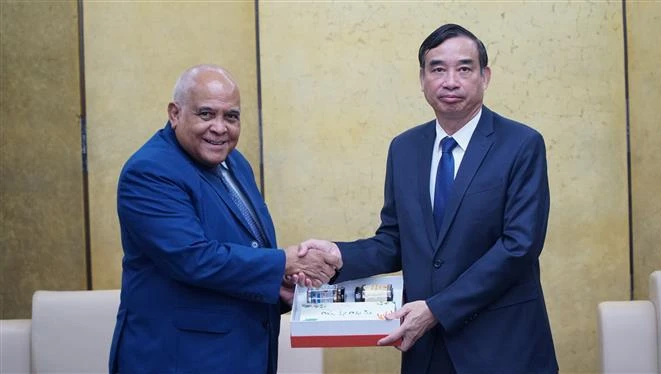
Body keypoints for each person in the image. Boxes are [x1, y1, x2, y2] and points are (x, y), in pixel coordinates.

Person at [300, 24, 558, 373]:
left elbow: (519, 247)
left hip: (503, 348)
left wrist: (436, 309)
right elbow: (394, 240)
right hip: (427, 353)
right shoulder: (405, 149)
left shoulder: (521, 145)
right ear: (422, 79)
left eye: (464, 68)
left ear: (485, 76)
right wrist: (338, 255)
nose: (450, 81)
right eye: (437, 69)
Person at [108, 64, 341, 374]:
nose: (220, 128)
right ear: (175, 113)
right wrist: (284, 262)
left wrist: (277, 285)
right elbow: (193, 257)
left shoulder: (234, 161)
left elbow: (246, 246)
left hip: (240, 353)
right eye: (206, 114)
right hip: (178, 360)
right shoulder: (150, 171)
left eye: (231, 116)